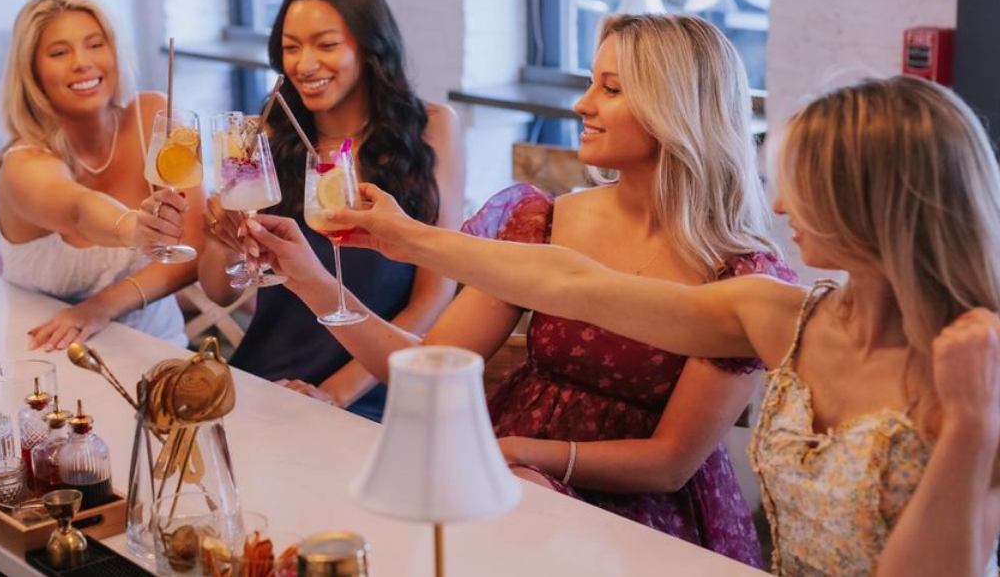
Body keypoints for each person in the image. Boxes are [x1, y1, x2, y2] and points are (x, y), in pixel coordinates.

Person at [321, 75, 1000, 576]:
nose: (784, 204)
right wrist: (407, 239)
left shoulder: (977, 367)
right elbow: (571, 282)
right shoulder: (782, 317)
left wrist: (972, 430)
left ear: (875, 202)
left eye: (807, 184)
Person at [236, 14, 794, 567]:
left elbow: (670, 462)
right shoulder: (544, 219)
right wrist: (310, 279)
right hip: (509, 474)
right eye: (589, 84)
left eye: (611, 89)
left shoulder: (741, 275)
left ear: (676, 110)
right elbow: (425, 364)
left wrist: (520, 454)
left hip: (637, 510)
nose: (583, 104)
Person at [141, 0, 464, 421]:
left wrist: (335, 392)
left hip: (376, 390)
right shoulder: (266, 134)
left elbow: (433, 297)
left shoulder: (432, 128)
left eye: (326, 45)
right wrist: (220, 236)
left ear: (370, 46)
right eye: (291, 48)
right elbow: (217, 290)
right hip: (265, 381)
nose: (304, 64)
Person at [0, 0, 203, 349]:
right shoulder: (23, 164)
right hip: (49, 357)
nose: (82, 62)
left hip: (160, 351)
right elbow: (78, 212)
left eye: (95, 44)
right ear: (32, 72)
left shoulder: (153, 115)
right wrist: (136, 227)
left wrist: (100, 308)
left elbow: (192, 249)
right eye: (59, 53)